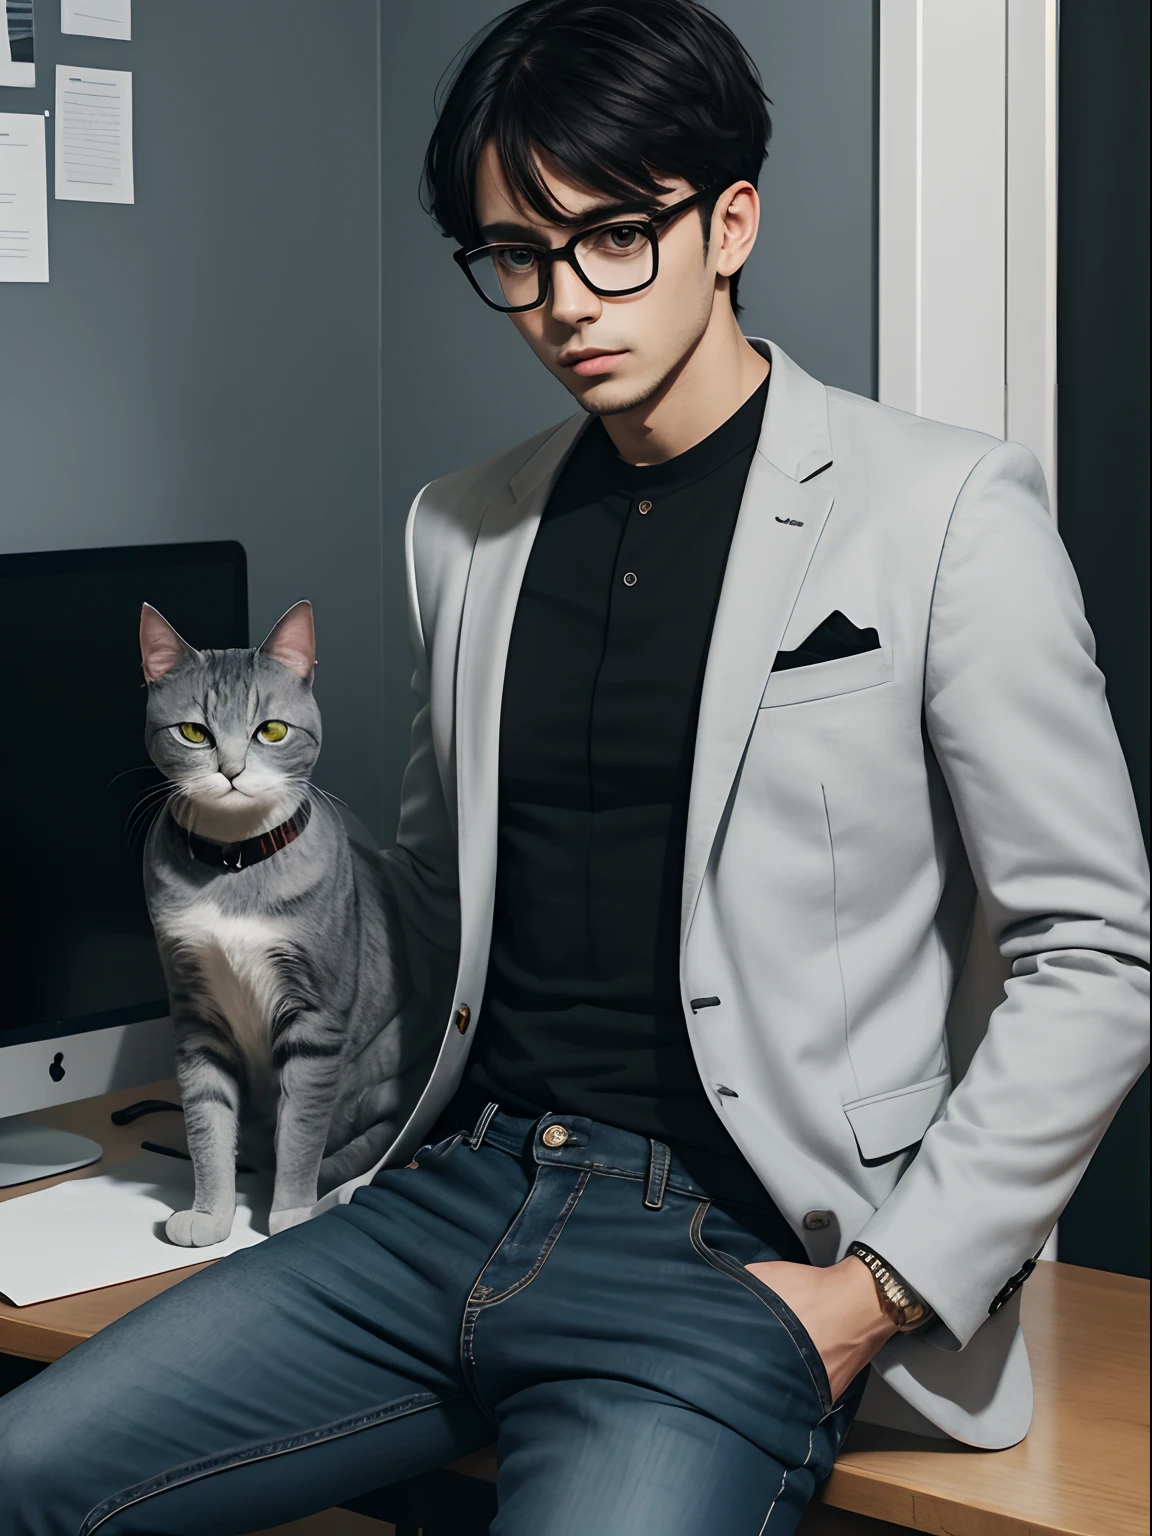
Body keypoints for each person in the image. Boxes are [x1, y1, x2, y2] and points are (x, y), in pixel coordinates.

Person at [2, 2, 1148, 1532]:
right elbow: (428, 898)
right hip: (452, 1194)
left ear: (729, 220)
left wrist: (875, 1294)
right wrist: (247, 877)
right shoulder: (459, 529)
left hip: (735, 1258)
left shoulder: (947, 511)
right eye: (514, 257)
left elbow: (1097, 952)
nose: (561, 301)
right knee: (23, 1466)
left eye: (613, 237)